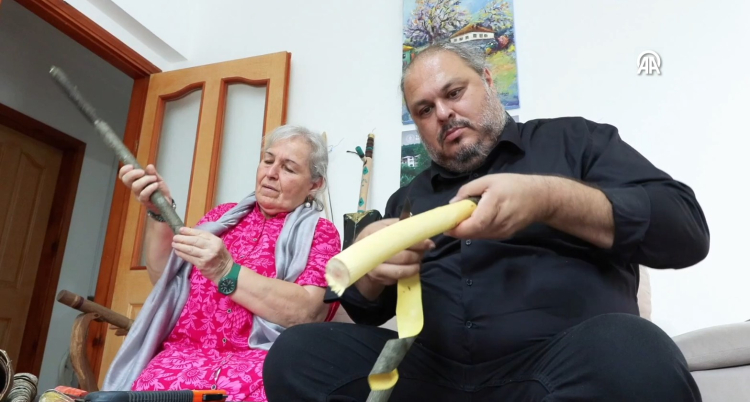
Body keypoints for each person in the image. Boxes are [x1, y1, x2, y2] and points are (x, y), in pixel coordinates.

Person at [262, 42, 710, 401]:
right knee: (297, 354)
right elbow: (366, 311)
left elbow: (686, 231)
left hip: (561, 366)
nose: (443, 113)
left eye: (454, 93)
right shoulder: (408, 198)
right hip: (432, 377)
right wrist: (372, 272)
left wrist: (550, 199)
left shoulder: (575, 141)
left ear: (489, 81)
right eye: (424, 109)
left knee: (635, 350)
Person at [112, 125, 341, 402]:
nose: (271, 173)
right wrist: (160, 212)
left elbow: (308, 312)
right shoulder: (221, 217)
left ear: (314, 185)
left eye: (288, 168)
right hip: (180, 361)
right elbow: (166, 280)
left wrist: (225, 270)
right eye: (268, 160)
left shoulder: (321, 233)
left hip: (257, 367)